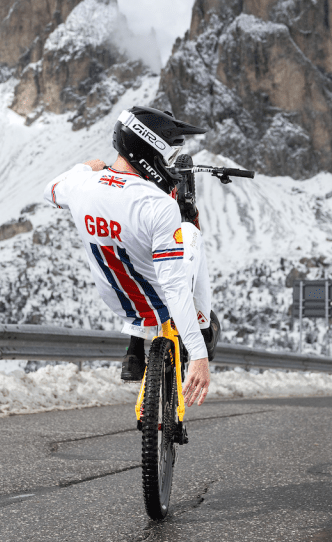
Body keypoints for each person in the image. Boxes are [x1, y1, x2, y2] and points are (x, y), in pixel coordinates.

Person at [42, 106, 220, 406]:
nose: (169, 164)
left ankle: (135, 347)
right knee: (190, 233)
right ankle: (203, 328)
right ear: (150, 150)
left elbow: (49, 190)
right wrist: (199, 356)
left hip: (117, 299)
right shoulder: (158, 204)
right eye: (168, 155)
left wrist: (84, 168)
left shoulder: (81, 185)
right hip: (160, 301)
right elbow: (174, 287)